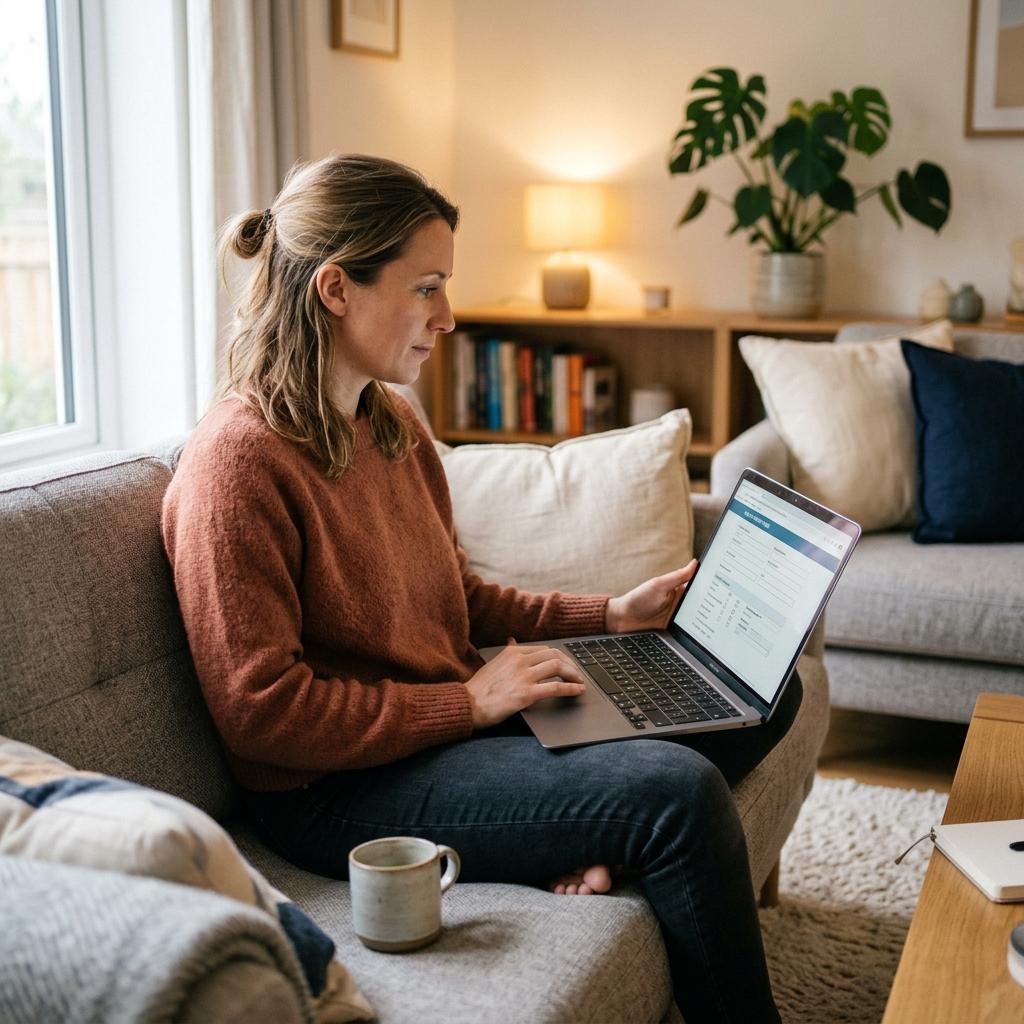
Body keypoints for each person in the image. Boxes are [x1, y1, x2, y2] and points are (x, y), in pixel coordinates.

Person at [162, 153, 798, 1023]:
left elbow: (451, 598)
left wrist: (610, 615)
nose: (449, 317)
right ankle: (614, 830)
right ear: (337, 288)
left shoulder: (388, 424)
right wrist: (465, 705)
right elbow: (263, 713)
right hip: (331, 794)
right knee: (675, 794)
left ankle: (598, 832)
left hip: (451, 731)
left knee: (759, 681)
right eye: (426, 288)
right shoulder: (236, 464)